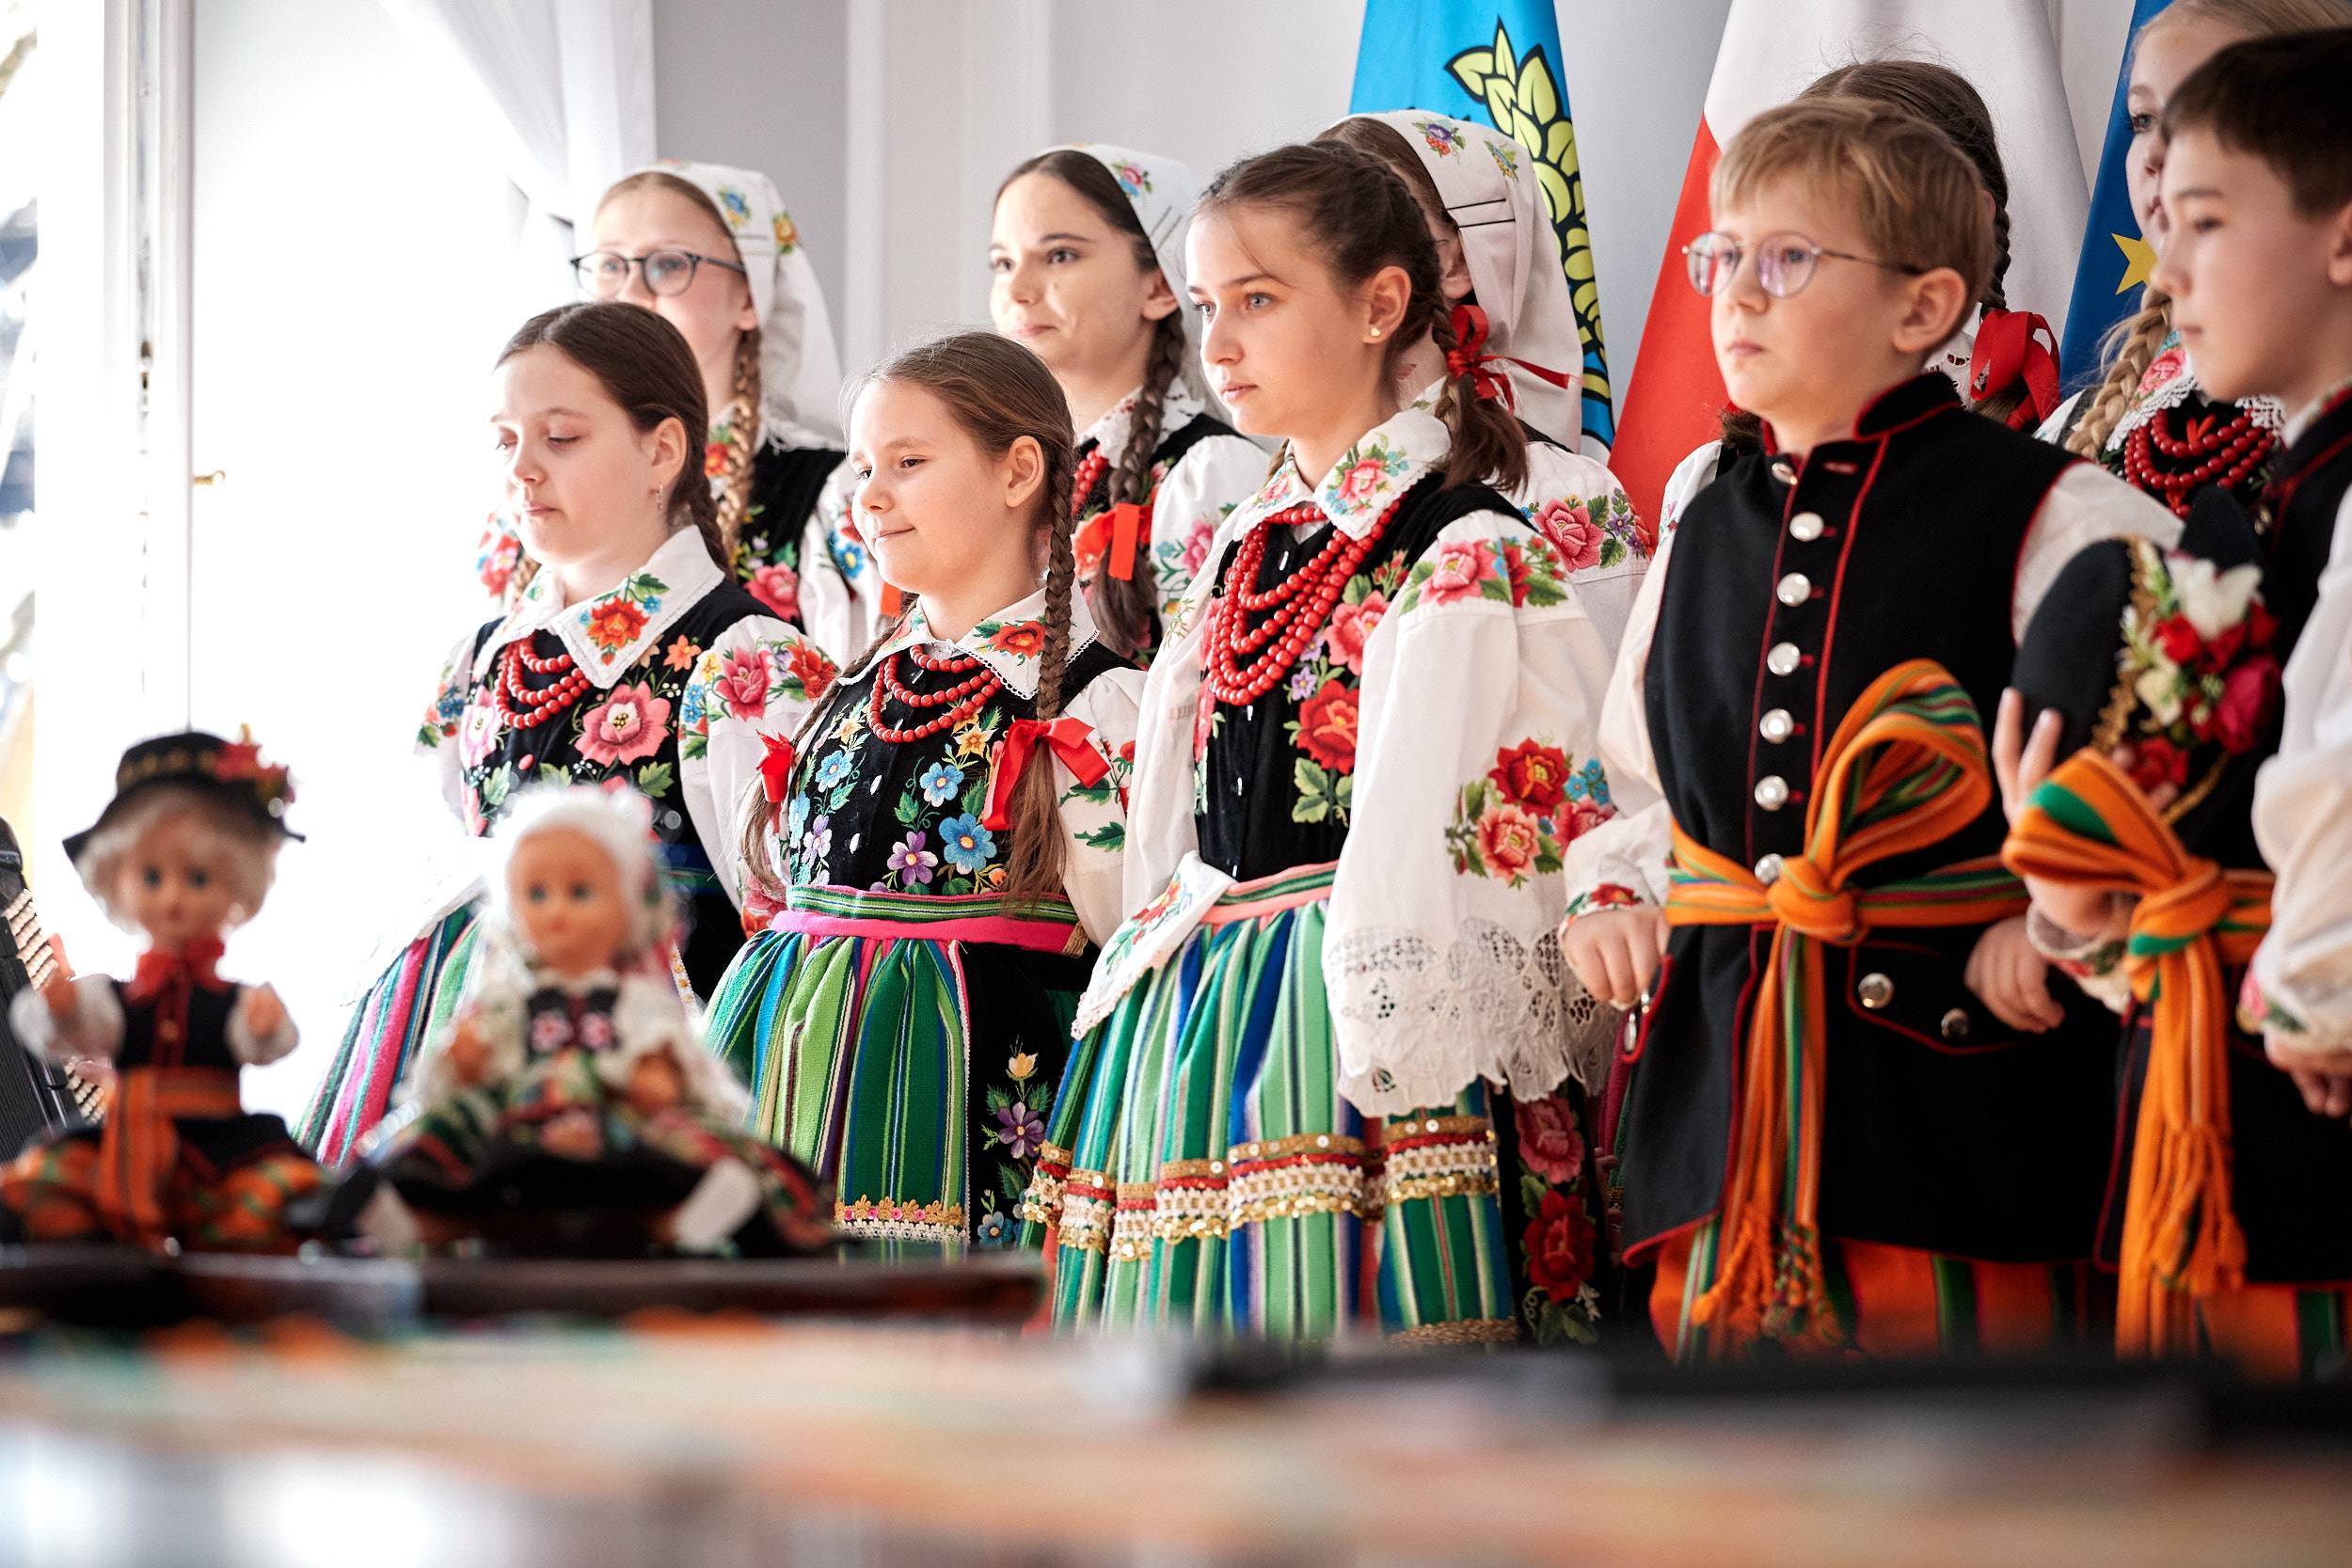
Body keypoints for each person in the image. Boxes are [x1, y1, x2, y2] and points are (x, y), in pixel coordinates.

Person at [1558, 99, 2179, 1360]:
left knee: (1962, 1441)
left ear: (1922, 305)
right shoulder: (1703, 518)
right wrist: (1616, 890)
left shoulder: (2059, 511)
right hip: (1724, 1115)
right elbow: (1651, 781)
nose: (1737, 292)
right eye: (1722, 255)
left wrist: (2053, 918)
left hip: (1958, 1110)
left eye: (1787, 258)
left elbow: (2167, 757)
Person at [1029, 141, 1620, 1342]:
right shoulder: (1243, 542)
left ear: (1379, 304)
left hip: (1366, 1011)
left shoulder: (1463, 548)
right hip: (1210, 1002)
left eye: (1257, 299)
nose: (1220, 343)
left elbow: (1496, 851)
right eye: (1206, 306)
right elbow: (1173, 813)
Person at [301, 302, 832, 1166]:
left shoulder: (743, 659)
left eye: (561, 438)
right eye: (504, 440)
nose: (523, 469)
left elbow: (784, 932)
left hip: (631, 1073)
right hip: (457, 1029)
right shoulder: (479, 655)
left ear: (662, 450)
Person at [701, 331, 1141, 1249]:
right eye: (864, 467)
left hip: (974, 1124)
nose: (868, 495)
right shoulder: (848, 690)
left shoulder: (1087, 704)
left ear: (1018, 470)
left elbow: (1129, 948)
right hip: (793, 1104)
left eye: (907, 462)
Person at [478, 161, 883, 661]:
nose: (629, 293)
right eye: (610, 265)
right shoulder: (532, 495)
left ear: (749, 296)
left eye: (669, 264)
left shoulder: (825, 495)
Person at [989, 145, 1267, 661]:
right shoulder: (1006, 468)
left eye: (1060, 255)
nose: (1018, 290)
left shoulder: (1206, 474)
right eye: (1003, 263)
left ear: (1160, 284)